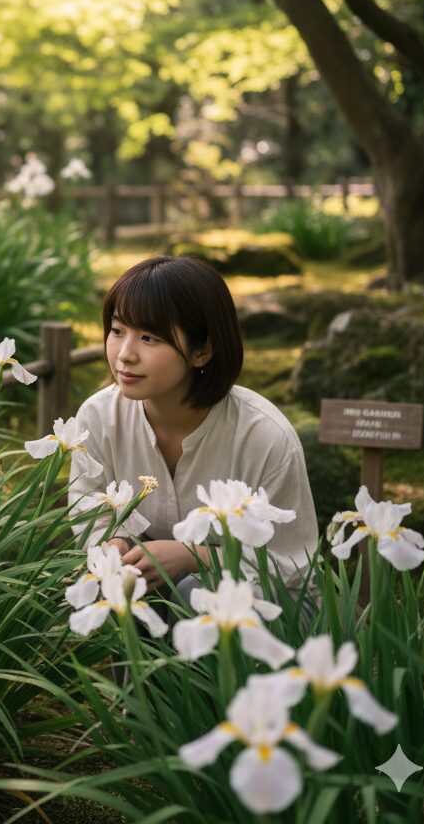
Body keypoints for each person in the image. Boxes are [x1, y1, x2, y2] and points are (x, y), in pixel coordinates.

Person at [69, 255, 318, 602]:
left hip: (267, 610)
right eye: (117, 331)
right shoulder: (98, 419)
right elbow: (88, 520)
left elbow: (293, 567)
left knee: (190, 593)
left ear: (202, 351)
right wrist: (115, 545)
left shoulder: (264, 436)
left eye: (149, 338)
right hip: (146, 596)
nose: (124, 354)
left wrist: (195, 557)